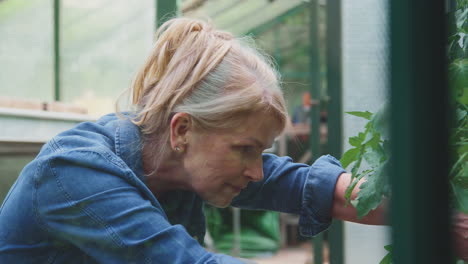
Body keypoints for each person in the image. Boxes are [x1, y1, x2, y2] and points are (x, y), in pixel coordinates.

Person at [0, 17, 464, 263]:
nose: (256, 170)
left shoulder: (178, 160)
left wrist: (440, 224)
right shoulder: (75, 175)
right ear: (183, 129)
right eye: (244, 149)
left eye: (260, 151)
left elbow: (314, 188)